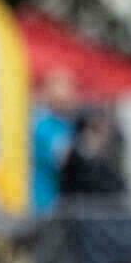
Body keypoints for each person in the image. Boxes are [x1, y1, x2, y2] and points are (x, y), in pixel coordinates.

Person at [30, 70, 77, 216]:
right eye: (66, 88)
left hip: (57, 201)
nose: (72, 96)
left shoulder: (64, 122)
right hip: (39, 203)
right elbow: (63, 157)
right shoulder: (41, 123)